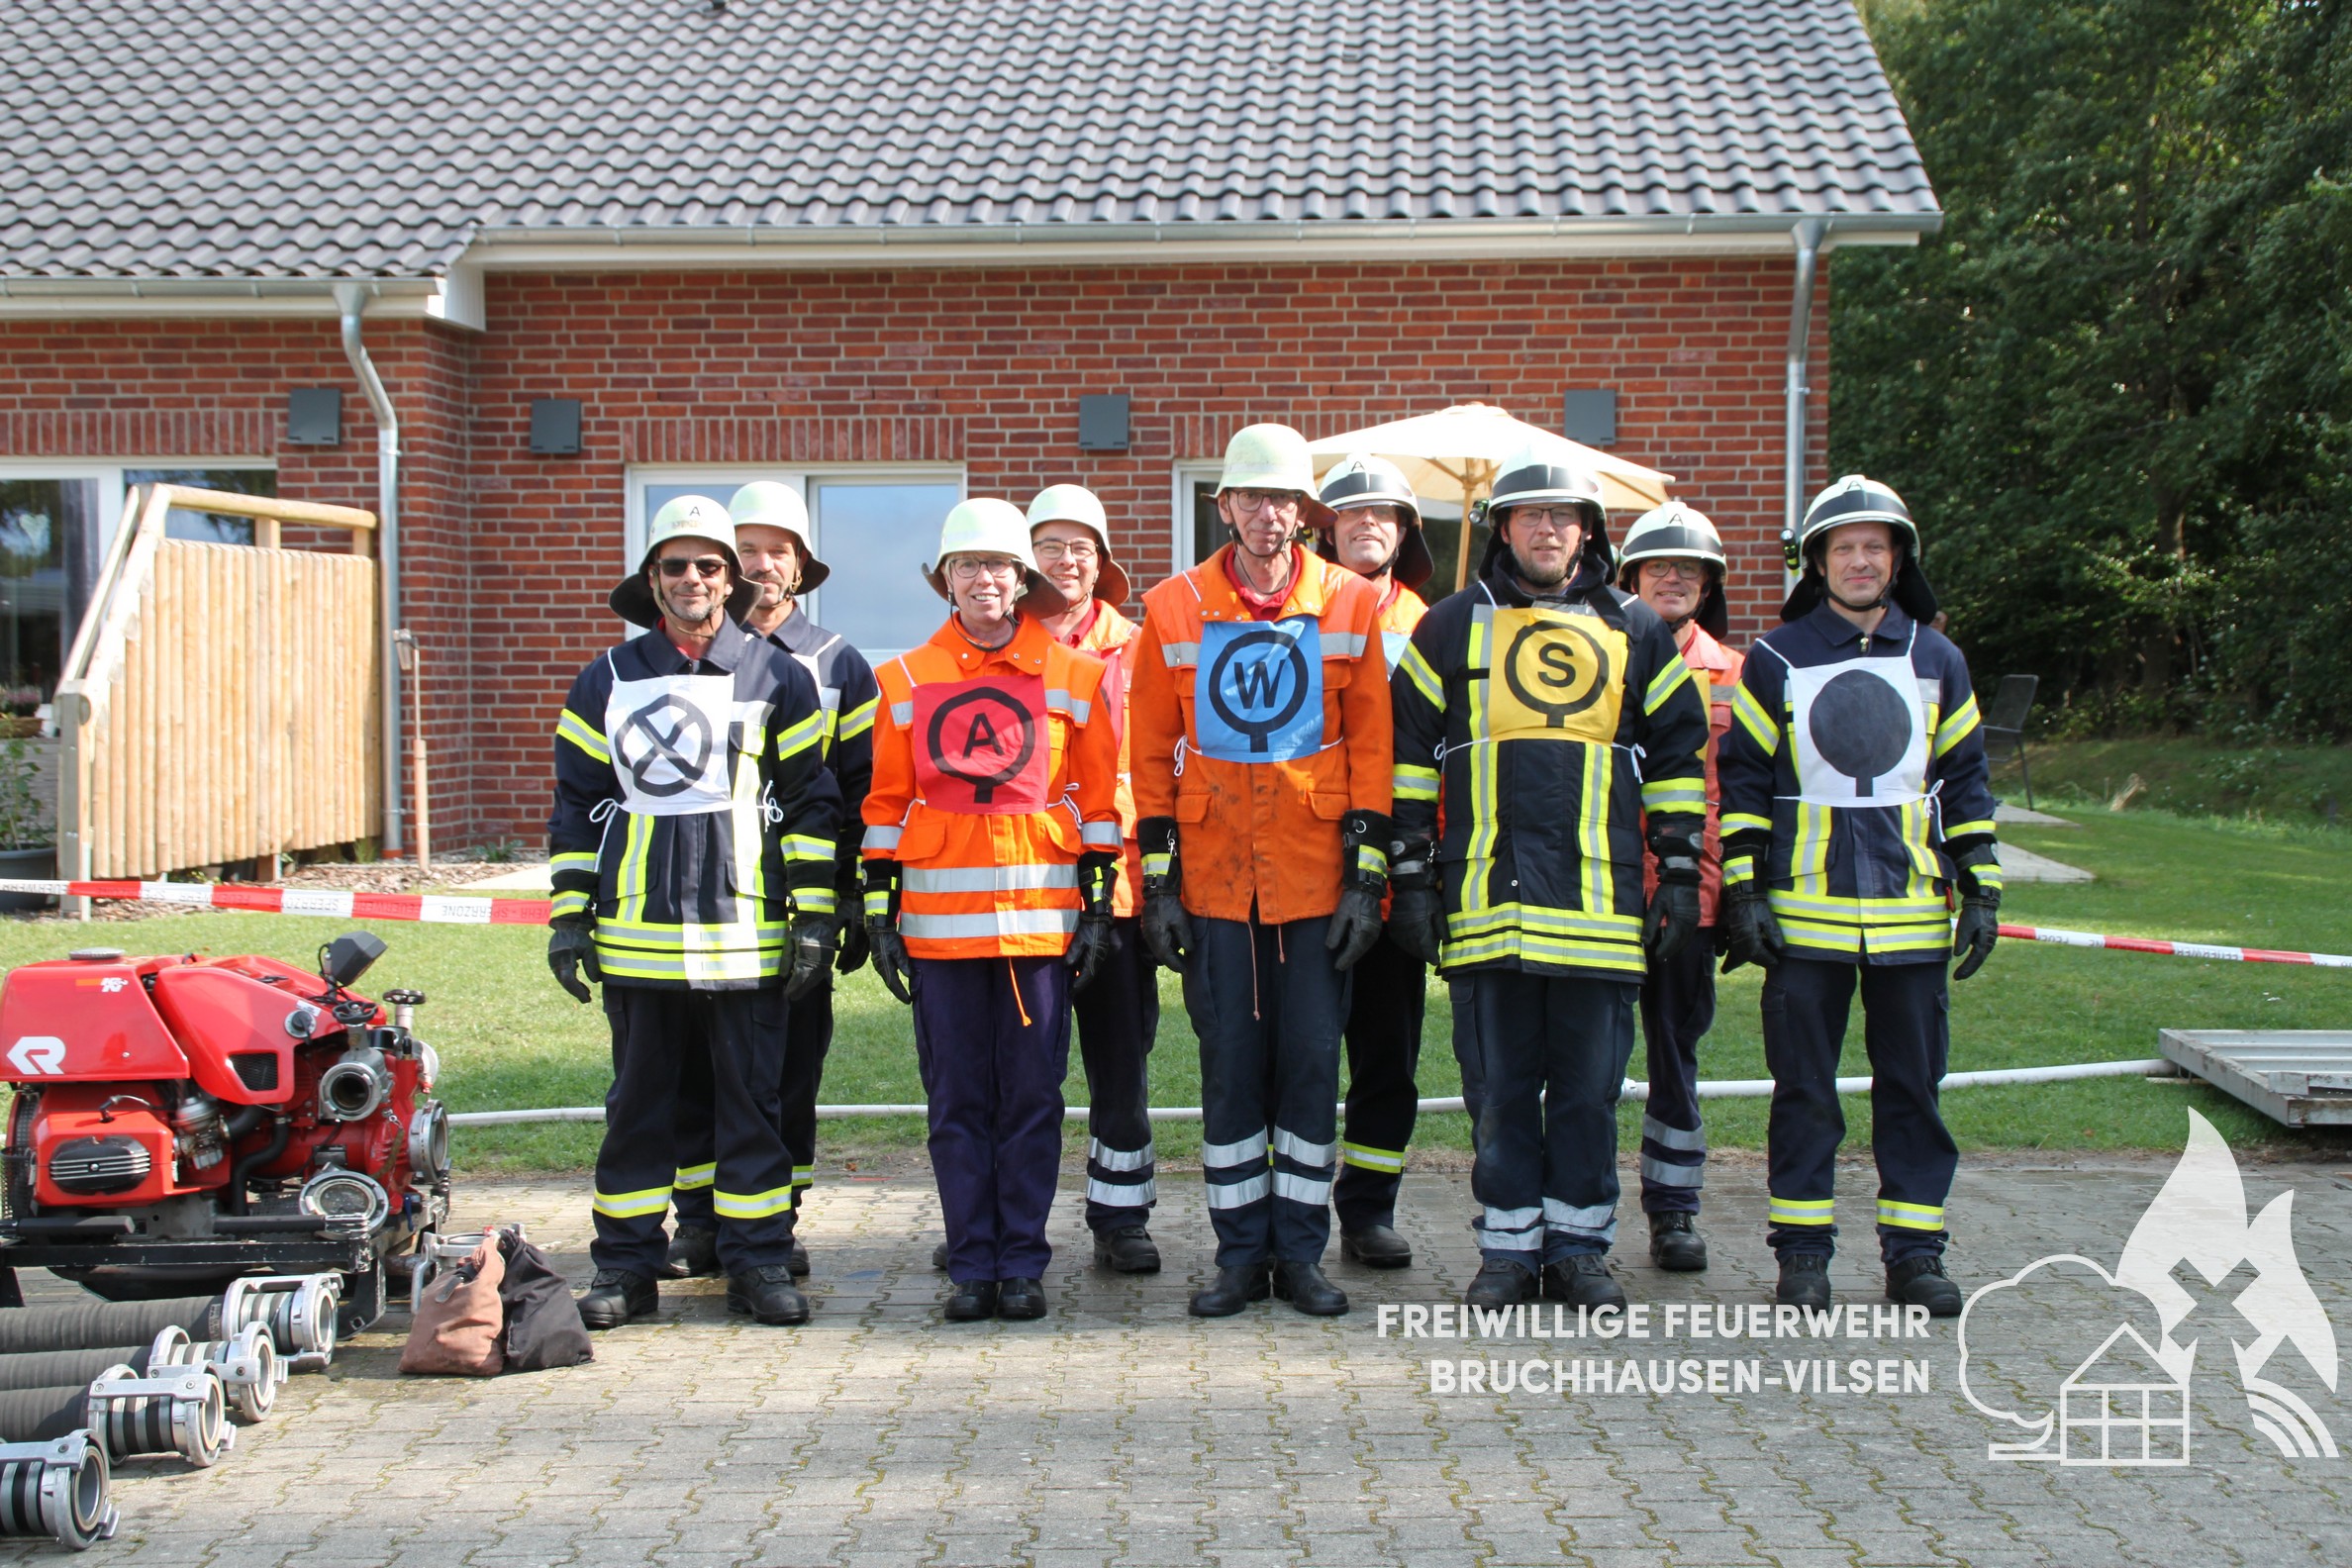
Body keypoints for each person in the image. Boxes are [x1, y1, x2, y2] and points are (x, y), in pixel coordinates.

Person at [1385, 445, 1710, 1311]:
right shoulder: (1449, 625)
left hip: (1600, 905)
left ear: (1589, 530)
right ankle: (1505, 1251)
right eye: (1530, 515)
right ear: (1502, 528)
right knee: (1497, 1094)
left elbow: (1679, 758)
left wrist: (1681, 875)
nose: (1547, 528)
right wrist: (1410, 879)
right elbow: (1407, 758)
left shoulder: (1637, 628)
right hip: (1486, 900)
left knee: (1586, 1096)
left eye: (1563, 516)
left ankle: (1577, 1250)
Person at [547, 494, 840, 1329]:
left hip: (747, 934)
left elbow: (810, 804)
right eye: (674, 565)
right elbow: (576, 805)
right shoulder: (605, 680)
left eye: (708, 565)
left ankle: (758, 1263)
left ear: (729, 579)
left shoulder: (779, 676)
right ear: (652, 580)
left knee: (753, 1109)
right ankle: (625, 1268)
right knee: (637, 1112)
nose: (692, 579)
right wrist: (570, 916)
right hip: (638, 938)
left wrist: (814, 918)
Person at [1717, 474, 2002, 1318]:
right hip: (1804, 919)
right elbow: (1744, 780)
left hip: (1912, 917)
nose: (1861, 561)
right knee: (1805, 1094)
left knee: (1913, 1092)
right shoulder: (1775, 658)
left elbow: (1966, 780)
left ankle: (1915, 1258)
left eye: (1875, 547)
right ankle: (1803, 1257)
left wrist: (1981, 889)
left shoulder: (1938, 659)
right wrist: (1745, 891)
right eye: (1844, 548)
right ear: (1818, 562)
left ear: (1898, 559)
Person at [1128, 423, 1393, 1320]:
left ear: (1303, 511)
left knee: (1312, 1068)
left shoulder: (1351, 603)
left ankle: (1302, 1255)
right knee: (1232, 1071)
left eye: (1282, 498)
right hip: (1214, 884)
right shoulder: (1172, 607)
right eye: (1252, 497)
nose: (1268, 514)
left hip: (1316, 883)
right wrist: (1158, 886)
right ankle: (1240, 1256)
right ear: (1226, 506)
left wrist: (1366, 881)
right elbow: (1149, 755)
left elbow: (1372, 748)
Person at [861, 498, 1122, 1322]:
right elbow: (884, 805)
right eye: (968, 565)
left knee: (1034, 1101)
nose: (985, 579)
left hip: (1039, 930)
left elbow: (1098, 805)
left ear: (1023, 579)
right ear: (946, 578)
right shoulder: (903, 679)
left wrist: (1097, 910)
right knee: (957, 1104)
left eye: (1000, 565)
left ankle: (1023, 1265)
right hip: (939, 936)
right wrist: (879, 914)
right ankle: (972, 1264)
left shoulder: (1076, 677)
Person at [664, 482, 878, 1284]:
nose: (761, 564)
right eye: (746, 549)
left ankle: (772, 1221)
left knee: (786, 1074)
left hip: (792, 908)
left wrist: (847, 899)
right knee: (691, 1070)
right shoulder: (673, 657)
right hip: (695, 907)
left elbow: (857, 791)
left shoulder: (836, 663)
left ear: (800, 566)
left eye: (776, 551)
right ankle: (700, 1223)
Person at [1027, 484, 1163, 1273]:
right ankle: (1009, 1215)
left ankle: (1122, 1216)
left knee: (1121, 1063)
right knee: (1021, 1071)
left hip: (1119, 891)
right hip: (1024, 889)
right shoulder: (998, 647)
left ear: (1102, 560)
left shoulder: (1140, 648)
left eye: (1081, 547)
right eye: (1049, 545)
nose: (1066, 560)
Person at [1312, 453, 1436, 1270]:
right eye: (1351, 513)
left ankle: (1368, 1210)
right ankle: (1291, 1213)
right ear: (1327, 531)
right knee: (1303, 1052)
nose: (1366, 523)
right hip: (1310, 863)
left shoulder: (1437, 624)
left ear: (1404, 532)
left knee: (1388, 1055)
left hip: (1401, 871)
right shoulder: (1300, 611)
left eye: (1383, 513)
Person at [1615, 501, 1743, 1273]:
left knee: (1674, 1053)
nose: (1672, 577)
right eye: (1658, 566)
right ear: (1629, 577)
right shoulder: (1596, 656)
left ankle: (1674, 1208)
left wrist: (1717, 893)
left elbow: (1737, 796)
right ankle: (1582, 1210)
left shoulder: (1736, 674)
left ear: (1709, 584)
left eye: (1688, 568)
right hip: (1599, 891)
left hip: (1689, 895)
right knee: (1590, 1061)